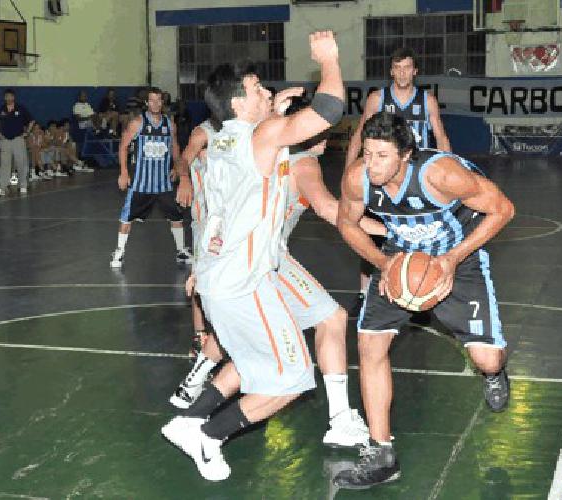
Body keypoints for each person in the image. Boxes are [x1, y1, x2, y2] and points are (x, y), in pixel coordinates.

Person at [159, 31, 346, 482]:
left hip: (220, 274)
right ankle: (209, 434)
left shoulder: (220, 137)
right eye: (257, 89)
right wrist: (329, 60)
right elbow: (328, 110)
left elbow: (256, 150)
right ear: (239, 104)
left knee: (249, 357)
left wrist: (272, 111)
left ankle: (187, 418)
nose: (266, 92)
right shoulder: (260, 137)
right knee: (292, 376)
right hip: (243, 281)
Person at [167, 95, 386, 450]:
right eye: (322, 131)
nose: (326, 138)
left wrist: (202, 263)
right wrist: (394, 233)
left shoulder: (262, 148)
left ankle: (194, 408)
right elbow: (332, 210)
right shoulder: (303, 165)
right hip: (266, 262)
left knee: (256, 348)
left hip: (232, 258)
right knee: (329, 321)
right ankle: (340, 419)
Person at [332, 112, 515, 489]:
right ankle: (381, 452)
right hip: (400, 259)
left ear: (406, 155)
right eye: (367, 154)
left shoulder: (441, 174)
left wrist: (450, 260)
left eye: (382, 156)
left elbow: (503, 209)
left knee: (487, 357)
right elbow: (347, 223)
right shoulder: (358, 178)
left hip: (456, 259)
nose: (372, 164)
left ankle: (495, 373)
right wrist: (384, 263)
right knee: (369, 345)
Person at [343, 47, 452, 317]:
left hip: (417, 179)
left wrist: (449, 169)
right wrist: (349, 173)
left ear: (415, 71)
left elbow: (439, 135)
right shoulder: (378, 98)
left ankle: (422, 288)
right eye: (397, 67)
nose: (402, 72)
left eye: (407, 67)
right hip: (380, 176)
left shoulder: (427, 100)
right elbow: (360, 133)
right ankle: (364, 292)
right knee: (370, 234)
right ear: (391, 71)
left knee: (423, 235)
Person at [111, 87, 192, 268]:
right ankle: (119, 251)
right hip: (141, 183)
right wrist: (124, 172)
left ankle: (181, 251)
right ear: (146, 103)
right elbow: (123, 146)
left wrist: (175, 167)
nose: (156, 103)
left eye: (159, 100)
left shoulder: (169, 124)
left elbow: (175, 146)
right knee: (126, 218)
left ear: (162, 102)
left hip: (164, 183)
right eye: (152, 100)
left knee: (176, 217)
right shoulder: (138, 123)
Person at [0, 88, 36, 196]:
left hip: (18, 140)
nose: (8, 98)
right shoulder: (0, 109)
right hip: (5, 140)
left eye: (10, 96)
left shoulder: (20, 109)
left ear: (13, 97)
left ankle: (23, 185)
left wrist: (27, 133)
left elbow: (32, 121)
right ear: (4, 97)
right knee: (4, 164)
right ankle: (2, 187)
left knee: (21, 162)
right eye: (6, 96)